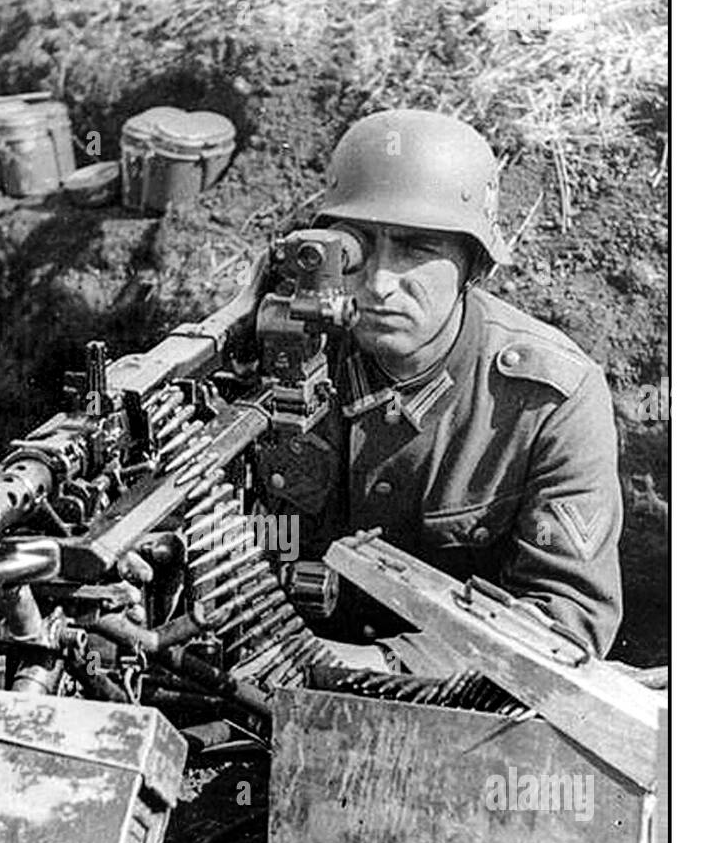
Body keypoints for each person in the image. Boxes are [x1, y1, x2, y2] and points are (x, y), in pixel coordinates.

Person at [257, 108, 623, 661]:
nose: (379, 283)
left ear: (472, 265)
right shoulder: (281, 352)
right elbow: (233, 528)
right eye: (357, 248)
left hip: (453, 712)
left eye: (416, 250)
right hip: (254, 665)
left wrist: (380, 667)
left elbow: (565, 622)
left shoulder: (549, 400)